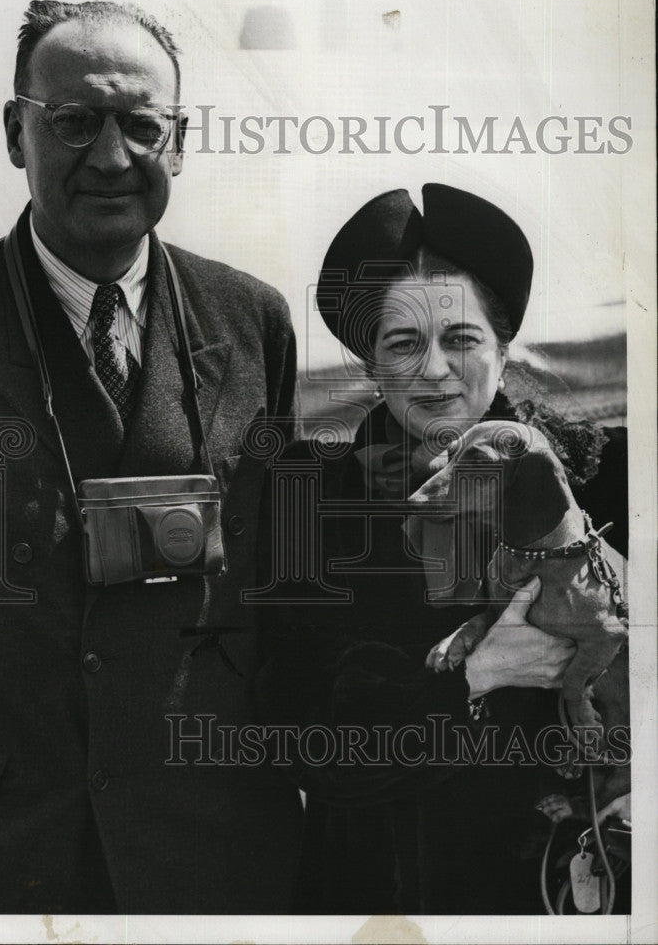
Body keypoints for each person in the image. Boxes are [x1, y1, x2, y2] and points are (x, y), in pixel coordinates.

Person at [0, 0, 302, 914]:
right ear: (17, 132)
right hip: (2, 846)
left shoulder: (253, 322)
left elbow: (288, 574)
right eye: (75, 122)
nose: (111, 156)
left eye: (141, 125)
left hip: (214, 839)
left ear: (179, 141)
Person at [253, 184, 628, 914]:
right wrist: (473, 677)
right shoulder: (310, 499)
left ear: (502, 345)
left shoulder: (598, 471)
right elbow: (298, 739)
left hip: (556, 878)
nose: (433, 369)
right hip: (377, 896)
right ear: (370, 360)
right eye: (402, 342)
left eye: (460, 339)